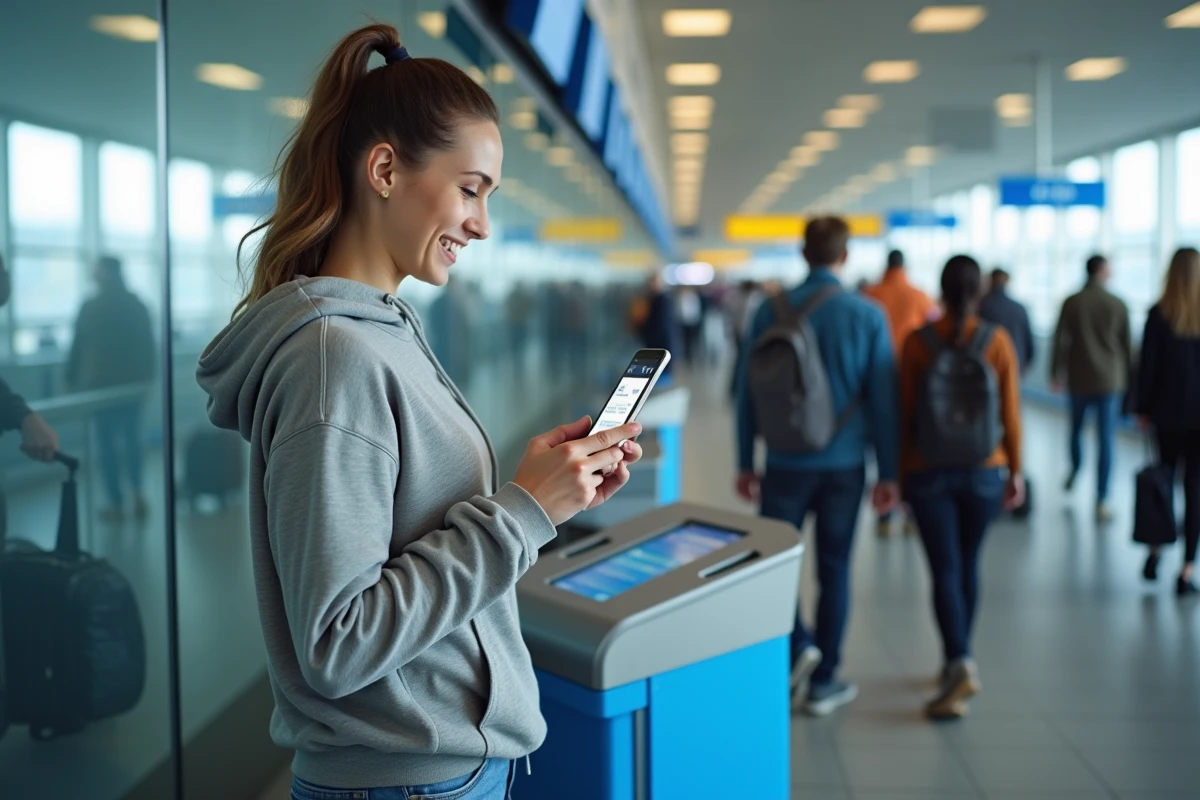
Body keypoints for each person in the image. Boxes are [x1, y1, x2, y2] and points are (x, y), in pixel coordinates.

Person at [194, 25, 643, 799]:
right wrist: (523, 512)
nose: (482, 223)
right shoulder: (335, 358)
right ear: (385, 170)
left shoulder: (383, 330)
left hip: (432, 770)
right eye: (470, 189)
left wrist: (539, 490)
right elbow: (338, 642)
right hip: (406, 781)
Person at [735, 216, 901, 717]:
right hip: (845, 465)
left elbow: (746, 394)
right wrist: (889, 472)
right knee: (835, 568)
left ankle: (797, 646)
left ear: (803, 253)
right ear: (845, 256)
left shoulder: (770, 310)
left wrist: (746, 459)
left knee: (774, 564)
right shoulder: (867, 315)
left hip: (784, 462)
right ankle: (826, 679)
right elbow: (883, 402)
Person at [900, 255, 1025, 720]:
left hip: (928, 469)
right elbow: (1010, 415)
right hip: (984, 470)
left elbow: (906, 413)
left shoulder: (918, 343)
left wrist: (896, 476)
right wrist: (1016, 471)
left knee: (944, 569)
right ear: (977, 292)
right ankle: (960, 656)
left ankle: (958, 659)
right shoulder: (997, 342)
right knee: (968, 564)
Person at [66, 256, 156, 522]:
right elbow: (149, 346)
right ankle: (138, 493)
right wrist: (147, 380)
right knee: (132, 441)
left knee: (107, 445)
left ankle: (116, 503)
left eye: (96, 270)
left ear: (105, 272)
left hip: (100, 386)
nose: (92, 274)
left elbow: (77, 346)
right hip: (131, 385)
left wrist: (70, 379)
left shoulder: (91, 306)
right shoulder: (137, 305)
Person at [1134, 247, 1200, 596]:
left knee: (1163, 480)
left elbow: (1148, 368)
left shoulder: (1158, 315)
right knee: (1195, 489)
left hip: (1167, 414)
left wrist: (1142, 409)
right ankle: (1187, 571)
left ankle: (1155, 550)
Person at [1051, 255, 1132, 521]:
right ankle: (1102, 499)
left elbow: (1060, 339)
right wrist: (1132, 381)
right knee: (1106, 438)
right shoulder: (1118, 304)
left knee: (1075, 429)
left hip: (1079, 377)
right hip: (1110, 380)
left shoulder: (1072, 302)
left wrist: (1055, 371)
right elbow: (1126, 346)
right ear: (1102, 270)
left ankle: (1075, 467)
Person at [862, 249, 937, 537]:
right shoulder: (921, 296)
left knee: (882, 444)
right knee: (909, 446)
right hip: (912, 380)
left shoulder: (870, 294)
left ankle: (885, 512)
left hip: (875, 381)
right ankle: (908, 510)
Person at [978, 268, 1035, 374]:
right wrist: (1026, 362)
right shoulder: (1019, 308)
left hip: (987, 365)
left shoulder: (981, 306)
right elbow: (1028, 341)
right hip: (1016, 361)